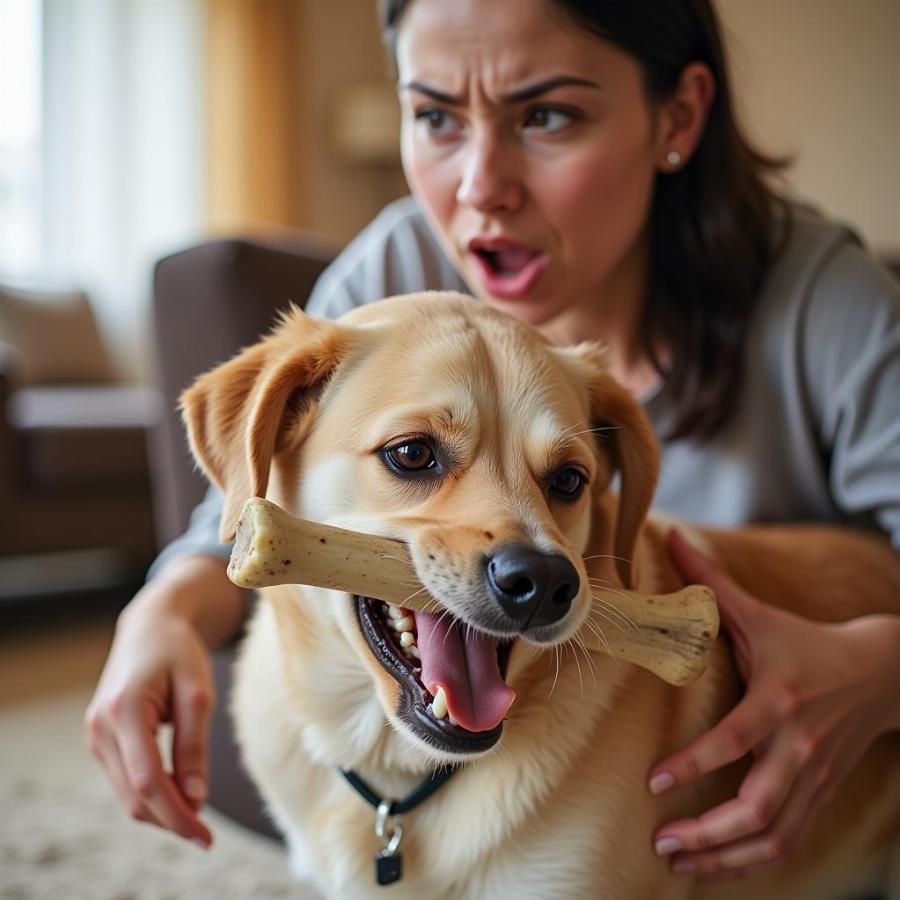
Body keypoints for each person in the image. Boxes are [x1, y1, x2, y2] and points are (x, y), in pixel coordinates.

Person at [86, 0, 900, 883]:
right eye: (435, 116)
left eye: (547, 115)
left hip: (709, 711)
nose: (479, 187)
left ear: (678, 115)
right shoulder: (394, 269)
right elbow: (244, 512)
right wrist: (160, 609)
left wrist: (875, 669)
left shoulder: (826, 300)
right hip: (417, 691)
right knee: (252, 745)